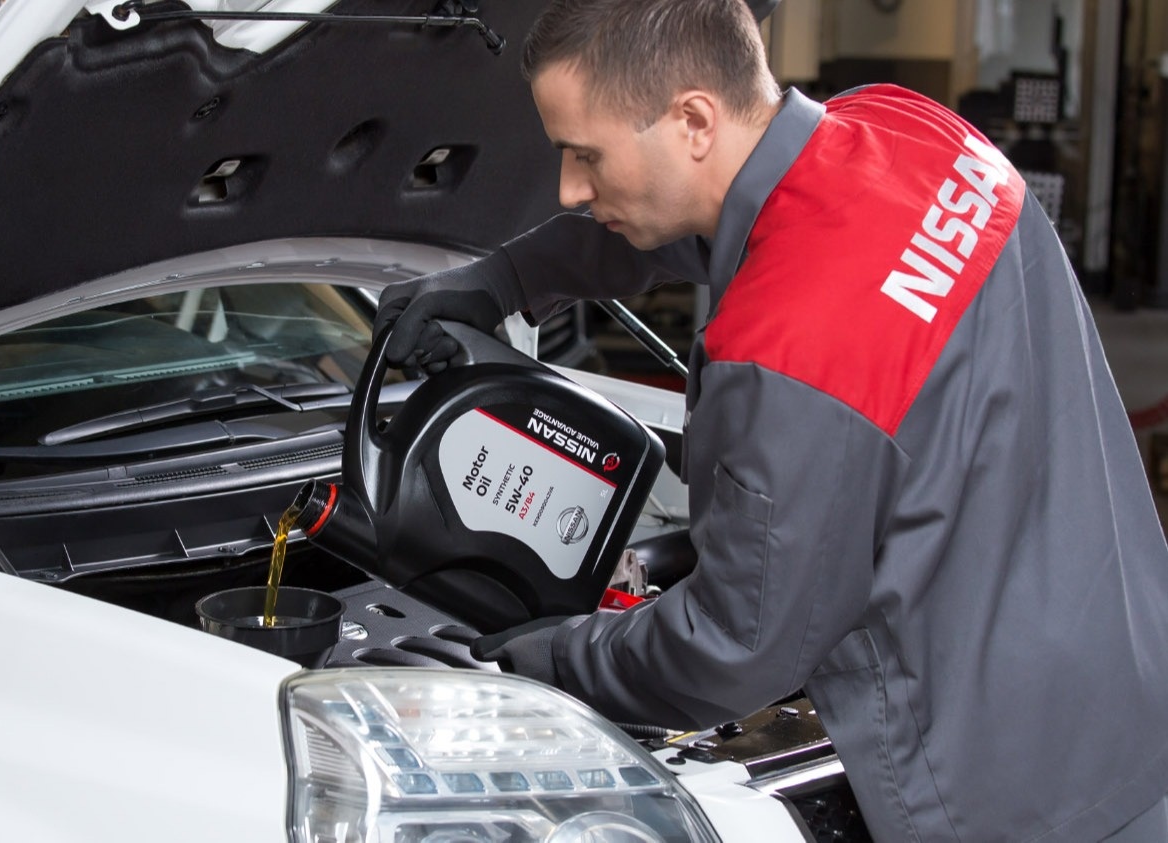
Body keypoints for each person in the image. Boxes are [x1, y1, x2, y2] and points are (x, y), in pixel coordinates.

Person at [374, 0, 1168, 839]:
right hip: (1124, 678)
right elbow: (715, 222)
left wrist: (551, 657)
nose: (570, 186)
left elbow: (733, 644)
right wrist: (507, 278)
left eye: (586, 154)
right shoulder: (910, 129)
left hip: (1009, 790)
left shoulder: (786, 351)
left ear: (693, 121)